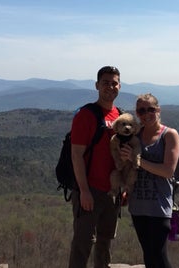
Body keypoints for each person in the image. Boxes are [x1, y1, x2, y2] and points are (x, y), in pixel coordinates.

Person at [68, 66, 123, 268]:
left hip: (112, 192)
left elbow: (120, 157)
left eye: (114, 83)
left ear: (119, 86)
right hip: (89, 190)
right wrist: (83, 191)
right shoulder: (86, 114)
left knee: (105, 242)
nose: (110, 86)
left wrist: (122, 188)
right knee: (83, 243)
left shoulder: (120, 116)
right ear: (97, 85)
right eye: (106, 82)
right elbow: (76, 155)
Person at [121, 93, 179, 268]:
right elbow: (129, 167)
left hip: (159, 206)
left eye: (150, 109)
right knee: (148, 254)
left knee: (159, 256)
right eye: (141, 110)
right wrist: (126, 188)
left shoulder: (169, 135)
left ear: (158, 110)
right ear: (137, 113)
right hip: (138, 205)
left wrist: (137, 160)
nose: (146, 114)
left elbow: (168, 171)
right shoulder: (135, 134)